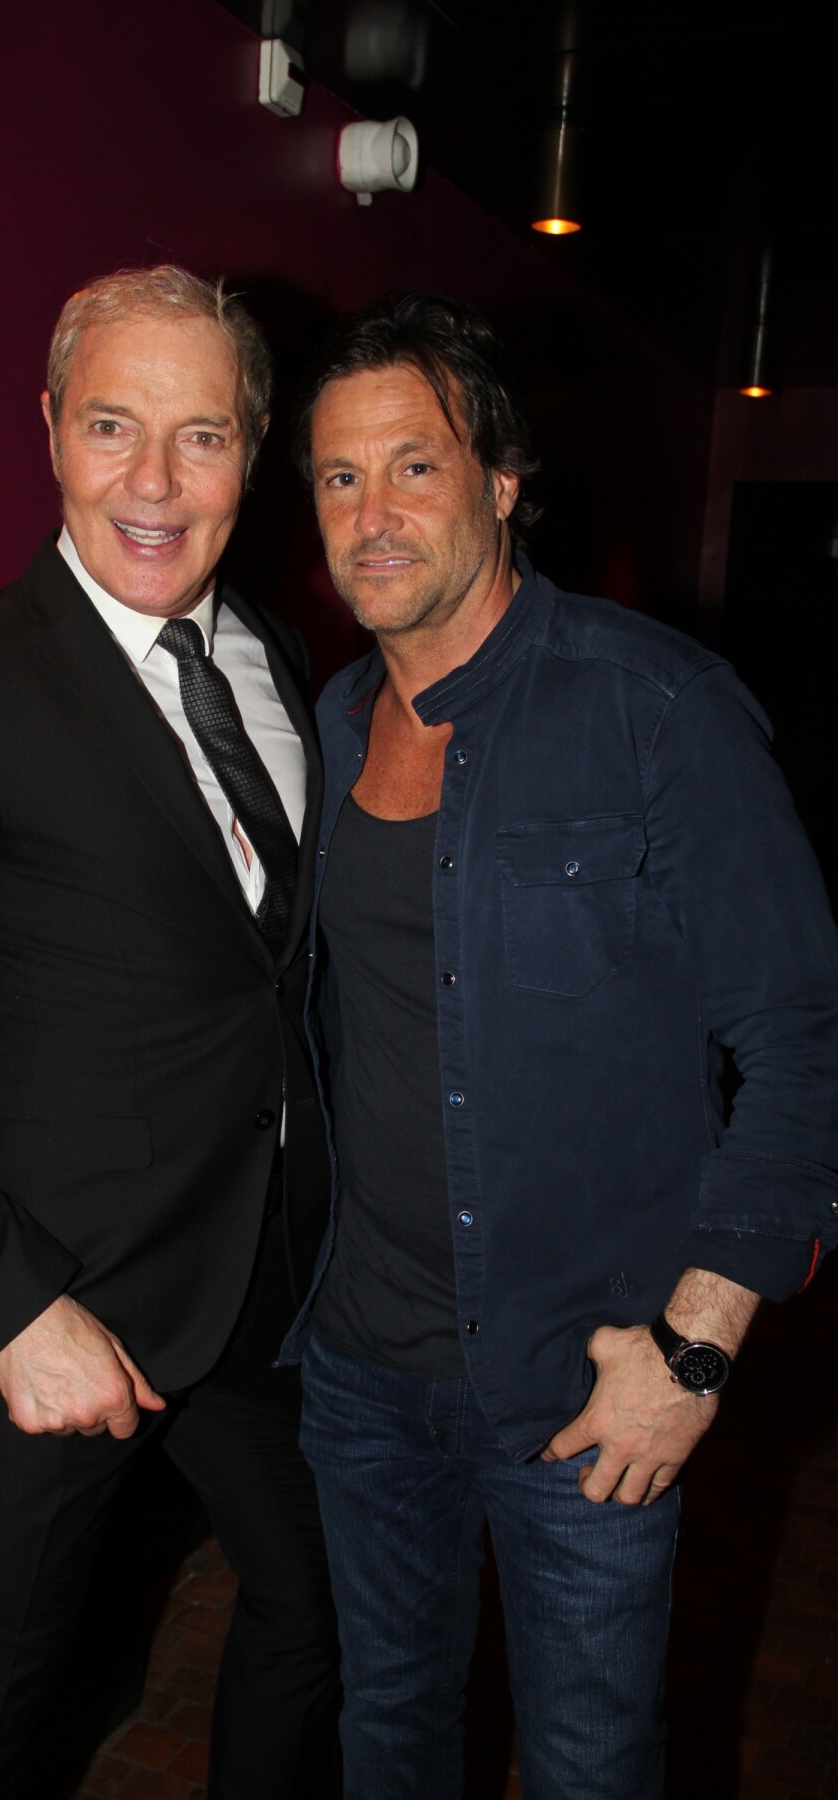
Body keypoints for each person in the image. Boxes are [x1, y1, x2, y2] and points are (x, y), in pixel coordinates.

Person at [282, 290, 838, 1800]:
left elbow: (803, 1041)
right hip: (359, 1370)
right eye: (339, 476)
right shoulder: (327, 724)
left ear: (505, 481)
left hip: (589, 1383)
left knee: (592, 1765)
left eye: (416, 465)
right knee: (389, 1731)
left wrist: (695, 1353)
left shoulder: (658, 708)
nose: (372, 515)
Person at [0, 265, 340, 1800]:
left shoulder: (280, 664)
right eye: (112, 426)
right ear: (48, 429)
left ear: (254, 449)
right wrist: (16, 1310)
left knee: (324, 1617)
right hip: (58, 1306)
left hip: (266, 1289)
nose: (153, 483)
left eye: (202, 435)